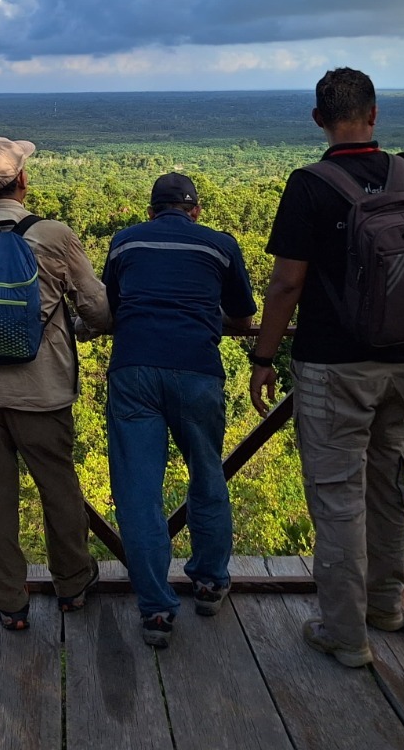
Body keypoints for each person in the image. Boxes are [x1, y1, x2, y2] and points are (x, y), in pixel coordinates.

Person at [249, 68, 404, 668]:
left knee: (337, 499)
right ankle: (386, 606)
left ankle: (346, 634)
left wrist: (264, 356)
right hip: (398, 365)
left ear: (318, 119)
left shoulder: (309, 185)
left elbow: (286, 284)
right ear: (374, 116)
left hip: (331, 368)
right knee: (389, 485)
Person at [0, 137, 112, 631]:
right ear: (23, 180)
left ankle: (9, 599)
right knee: (58, 488)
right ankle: (73, 584)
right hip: (45, 389)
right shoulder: (55, 236)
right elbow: (95, 307)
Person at [103, 173, 257, 649]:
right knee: (207, 475)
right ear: (196, 209)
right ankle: (210, 582)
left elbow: (113, 306)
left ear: (151, 210)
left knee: (137, 492)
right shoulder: (220, 245)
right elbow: (244, 316)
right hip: (196, 368)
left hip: (133, 369)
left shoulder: (124, 242)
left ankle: (156, 611)